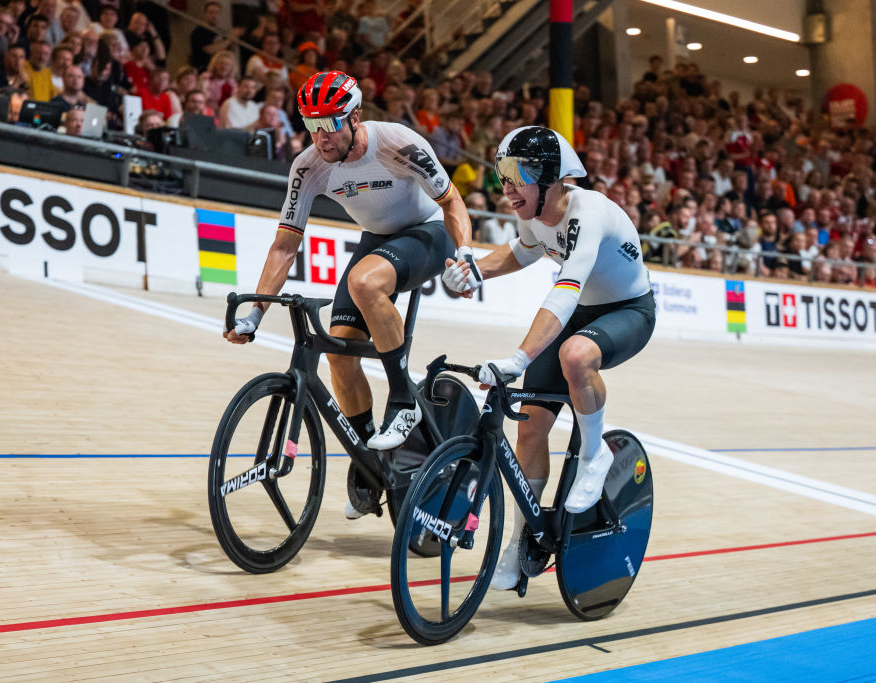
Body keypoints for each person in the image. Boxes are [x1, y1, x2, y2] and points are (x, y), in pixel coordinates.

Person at [223, 71, 475, 517]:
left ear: (355, 116)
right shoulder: (308, 166)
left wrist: (467, 255)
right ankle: (368, 458)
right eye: (310, 125)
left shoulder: (397, 142)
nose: (319, 137)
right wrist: (255, 314)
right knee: (339, 352)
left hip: (429, 233)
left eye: (329, 124)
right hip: (378, 240)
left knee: (364, 281)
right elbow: (285, 244)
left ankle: (403, 401)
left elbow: (452, 203)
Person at [443, 126, 655, 591]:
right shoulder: (533, 211)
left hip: (628, 311)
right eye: (503, 172)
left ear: (554, 178)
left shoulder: (588, 213)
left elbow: (564, 292)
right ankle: (524, 545)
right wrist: (474, 270)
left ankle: (595, 455)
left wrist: (520, 357)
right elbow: (524, 252)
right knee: (530, 423)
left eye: (519, 173)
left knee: (577, 356)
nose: (508, 186)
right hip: (584, 309)